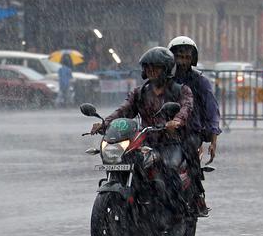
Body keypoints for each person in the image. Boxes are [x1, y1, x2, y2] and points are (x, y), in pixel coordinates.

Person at [92, 47, 194, 213]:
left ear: (166, 68)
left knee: (169, 170)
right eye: (147, 67)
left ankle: (176, 211)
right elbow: (123, 111)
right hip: (144, 142)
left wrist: (176, 121)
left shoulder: (180, 90)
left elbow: (186, 108)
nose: (151, 70)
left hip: (171, 143)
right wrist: (105, 124)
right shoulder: (139, 93)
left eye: (156, 66)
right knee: (125, 162)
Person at [168, 35, 221, 216]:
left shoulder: (200, 82)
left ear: (193, 59)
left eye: (186, 57)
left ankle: (197, 194)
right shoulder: (164, 81)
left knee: (189, 151)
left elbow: (212, 111)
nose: (182, 61)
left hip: (190, 131)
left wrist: (213, 141)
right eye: (179, 57)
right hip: (164, 131)